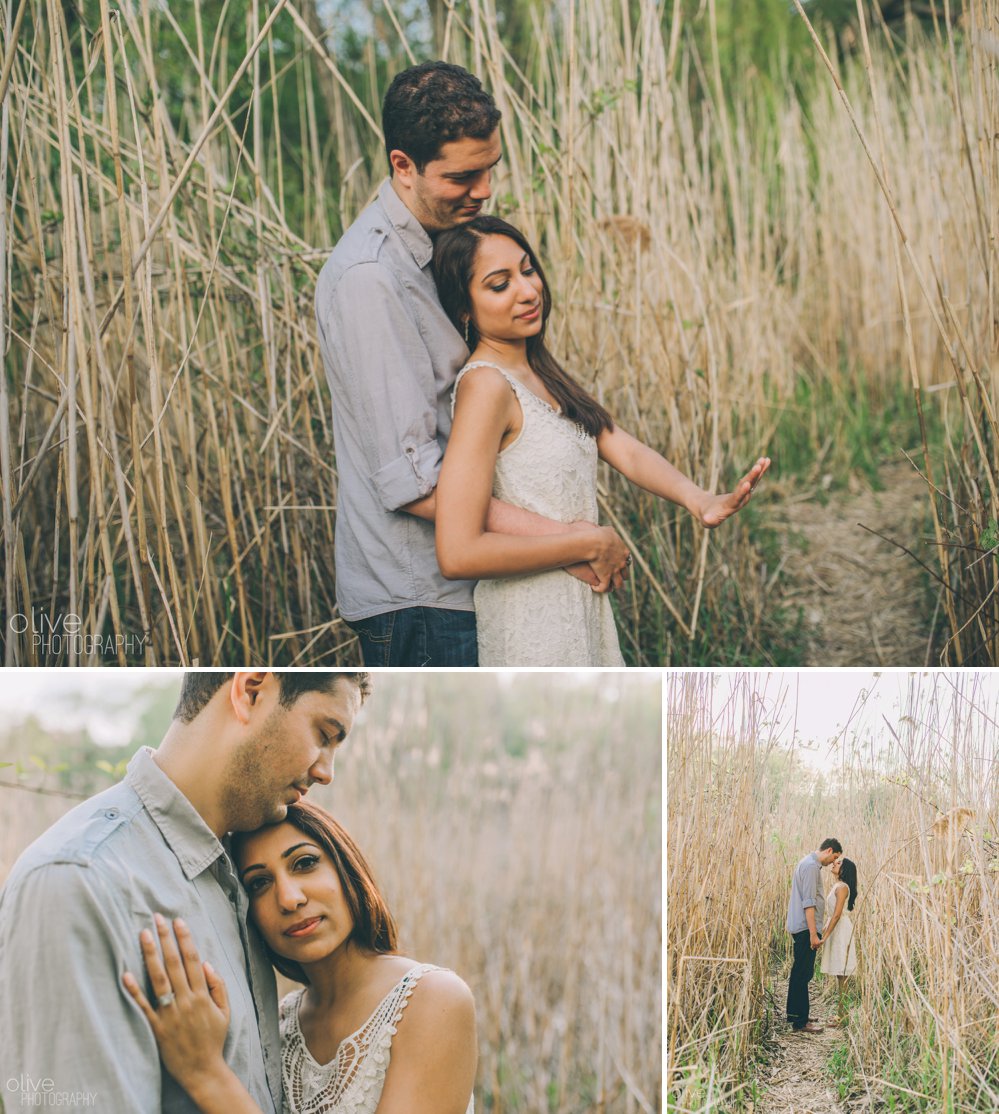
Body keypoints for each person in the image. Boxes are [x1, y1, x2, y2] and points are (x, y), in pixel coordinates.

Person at [316, 61, 628, 667]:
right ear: (402, 166)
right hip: (421, 598)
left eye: (489, 169)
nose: (483, 189)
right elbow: (414, 482)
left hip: (465, 591)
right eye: (463, 176)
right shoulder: (372, 279)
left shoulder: (439, 247)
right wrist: (574, 542)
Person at [0, 671, 369, 1112]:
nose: (325, 772)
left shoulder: (241, 876)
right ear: (251, 691)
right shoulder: (78, 881)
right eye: (324, 734)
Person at [431, 215, 771, 665]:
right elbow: (458, 552)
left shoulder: (539, 374)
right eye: (499, 285)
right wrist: (588, 543)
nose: (528, 291)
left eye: (528, 271)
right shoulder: (486, 387)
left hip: (577, 603)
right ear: (464, 310)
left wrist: (700, 499)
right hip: (530, 616)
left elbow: (621, 447)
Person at [123, 801, 476, 1114]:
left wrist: (205, 1073)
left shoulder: (434, 999)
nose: (289, 899)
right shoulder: (281, 1024)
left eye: (304, 863)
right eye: (260, 883)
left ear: (346, 867)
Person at [785, 838, 842, 1034]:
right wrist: (812, 934)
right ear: (829, 850)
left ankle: (795, 1013)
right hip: (804, 928)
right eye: (834, 857)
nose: (832, 862)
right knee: (803, 973)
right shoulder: (810, 867)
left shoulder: (807, 864)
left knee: (799, 971)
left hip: (801, 927)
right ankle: (800, 1022)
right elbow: (808, 903)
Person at [820, 855, 859, 1024]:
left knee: (842, 973)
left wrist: (826, 935)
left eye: (839, 862)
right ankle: (841, 1013)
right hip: (835, 928)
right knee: (838, 973)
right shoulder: (837, 885)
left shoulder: (842, 887)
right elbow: (832, 914)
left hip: (840, 930)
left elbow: (836, 914)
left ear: (844, 869)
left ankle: (842, 1015)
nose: (835, 863)